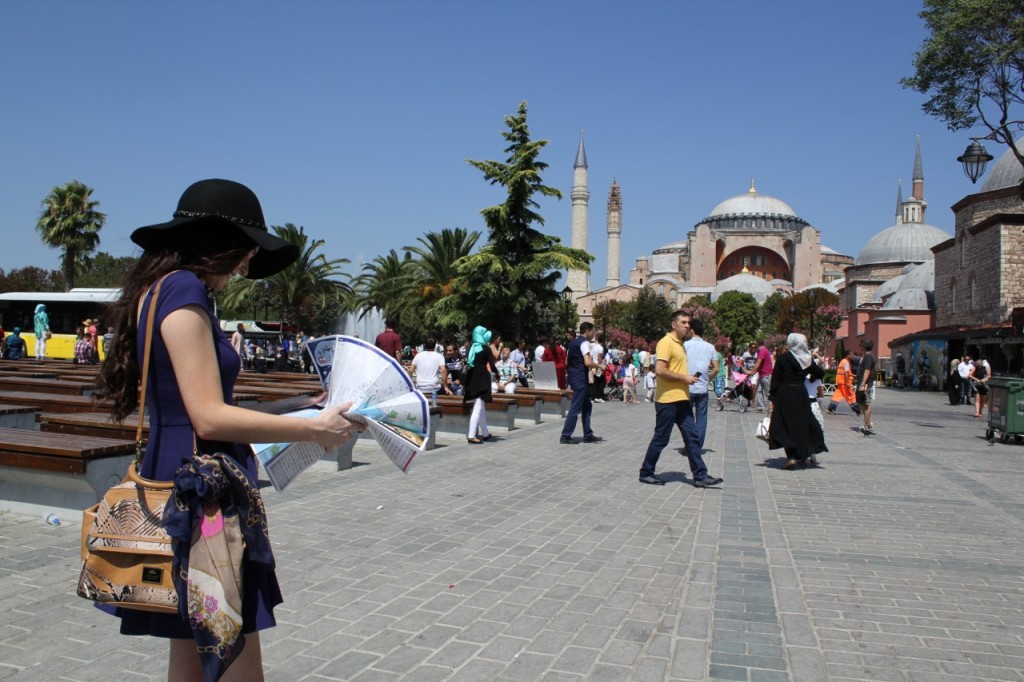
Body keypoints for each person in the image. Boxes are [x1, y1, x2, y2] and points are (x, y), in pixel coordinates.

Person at [95, 179, 359, 682]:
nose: (244, 267)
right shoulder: (185, 288)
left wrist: (297, 404)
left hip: (178, 467)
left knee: (191, 654)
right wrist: (314, 430)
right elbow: (209, 417)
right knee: (232, 645)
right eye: (243, 253)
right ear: (218, 242)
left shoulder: (158, 290)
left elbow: (200, 401)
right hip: (203, 490)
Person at [639, 310, 722, 487]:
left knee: (692, 437)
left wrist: (687, 377)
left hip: (682, 399)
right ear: (673, 324)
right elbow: (660, 370)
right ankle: (646, 472)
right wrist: (683, 378)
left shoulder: (681, 344)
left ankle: (700, 476)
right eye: (683, 322)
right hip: (667, 400)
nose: (687, 326)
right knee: (661, 438)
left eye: (688, 323)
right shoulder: (666, 343)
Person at [768, 334, 828, 469]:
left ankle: (791, 456)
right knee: (802, 423)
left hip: (784, 394)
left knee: (785, 425)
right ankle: (802, 453)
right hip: (800, 394)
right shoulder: (806, 360)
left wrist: (773, 397)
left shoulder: (783, 358)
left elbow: (775, 379)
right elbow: (820, 373)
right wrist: (811, 376)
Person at [560, 322, 603, 445]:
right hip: (580, 379)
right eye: (593, 331)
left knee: (587, 406)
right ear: (587, 331)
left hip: (573, 377)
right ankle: (565, 435)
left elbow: (568, 361)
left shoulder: (572, 343)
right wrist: (600, 365)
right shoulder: (585, 343)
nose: (593, 334)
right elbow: (588, 362)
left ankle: (588, 434)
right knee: (575, 408)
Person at [683, 319, 718, 456]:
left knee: (686, 418)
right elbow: (716, 368)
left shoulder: (684, 345)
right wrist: (708, 379)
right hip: (702, 388)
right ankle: (697, 446)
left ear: (692, 330)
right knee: (701, 418)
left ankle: (689, 444)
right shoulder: (710, 347)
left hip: (687, 386)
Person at [463, 325, 496, 444]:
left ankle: (486, 433)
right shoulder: (486, 348)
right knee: (478, 408)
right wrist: (497, 373)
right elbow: (491, 365)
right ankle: (471, 435)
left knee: (480, 407)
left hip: (472, 379)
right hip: (482, 379)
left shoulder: (471, 347)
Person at [826, 348, 858, 415]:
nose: (852, 356)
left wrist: (853, 375)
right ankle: (857, 409)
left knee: (837, 395)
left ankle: (830, 408)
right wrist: (848, 383)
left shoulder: (843, 361)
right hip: (844, 382)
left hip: (841, 381)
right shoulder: (846, 362)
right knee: (850, 395)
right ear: (847, 355)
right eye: (851, 354)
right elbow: (846, 373)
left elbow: (846, 372)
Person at [857, 339, 877, 435]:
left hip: (865, 384)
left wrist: (863, 384)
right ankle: (868, 422)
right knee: (861, 403)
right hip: (863, 384)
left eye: (861, 345)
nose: (859, 347)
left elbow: (867, 370)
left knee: (866, 404)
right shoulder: (867, 356)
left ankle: (865, 425)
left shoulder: (868, 356)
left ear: (864, 346)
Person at [971, 354, 991, 418]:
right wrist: (976, 379)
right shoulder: (974, 368)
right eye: (978, 366)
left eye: (980, 366)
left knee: (982, 399)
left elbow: (989, 376)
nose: (979, 367)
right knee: (977, 398)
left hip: (983, 385)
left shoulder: (985, 368)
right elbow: (969, 375)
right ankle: (977, 412)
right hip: (976, 384)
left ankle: (980, 412)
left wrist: (984, 379)